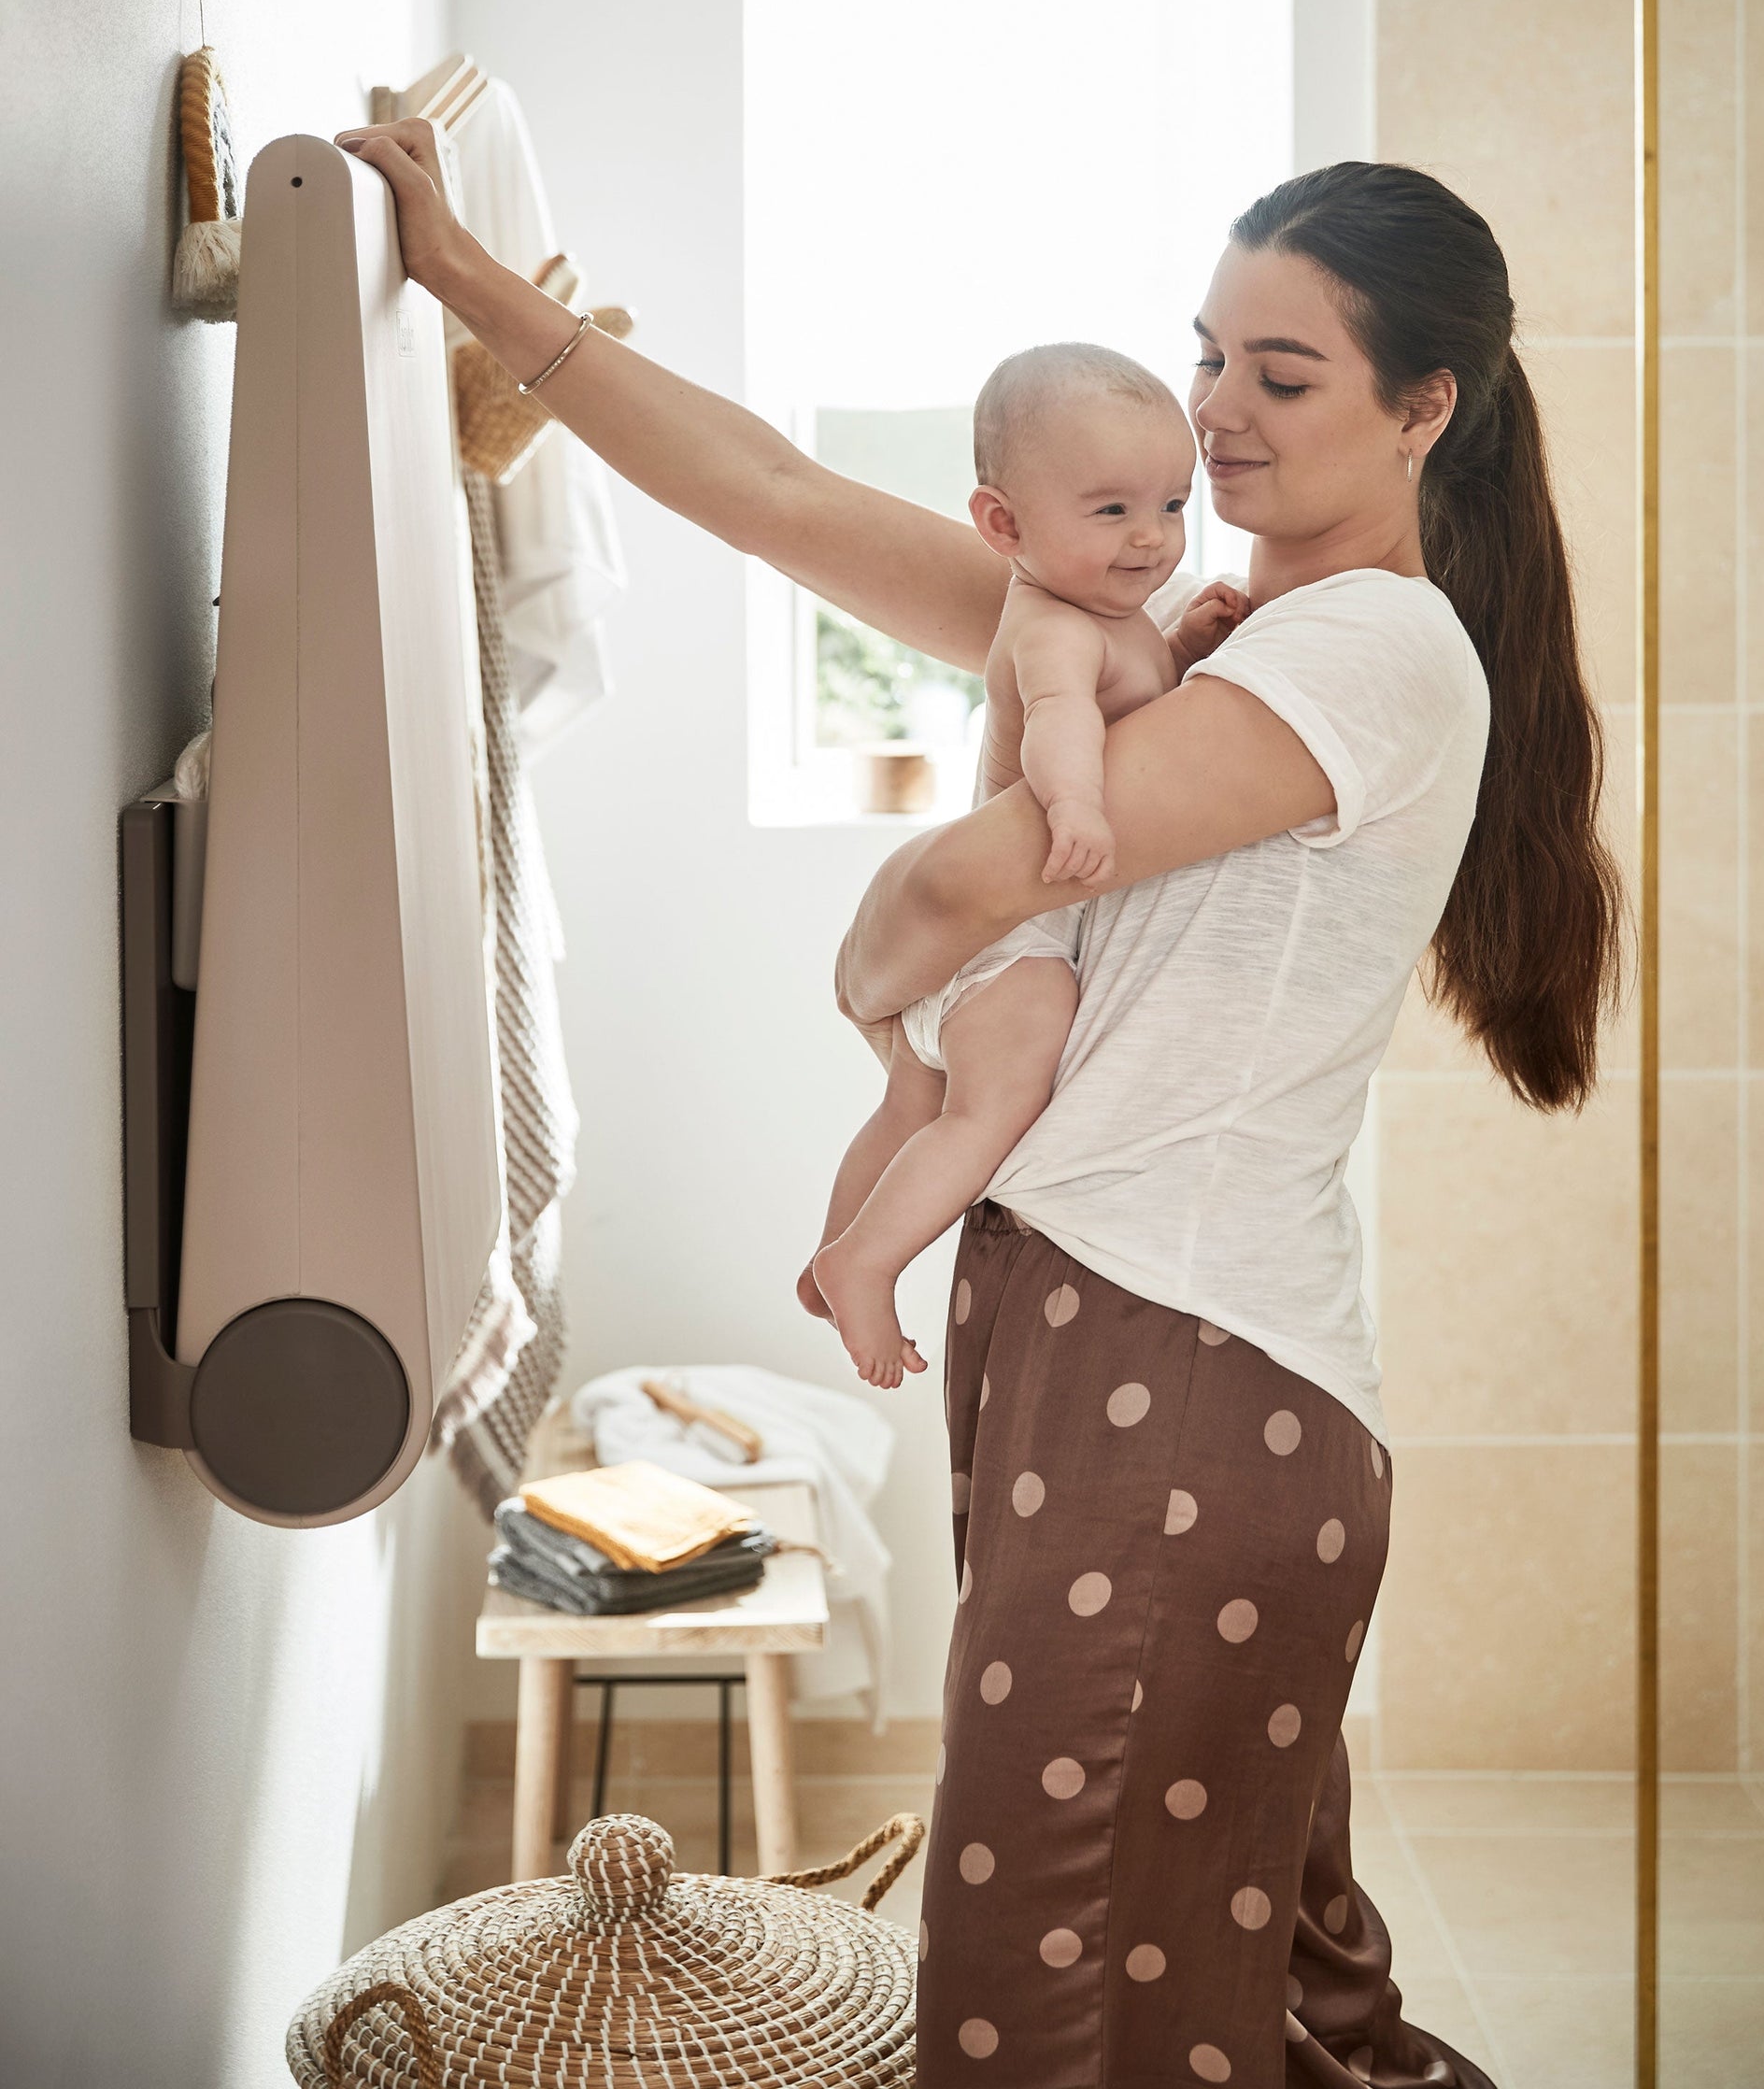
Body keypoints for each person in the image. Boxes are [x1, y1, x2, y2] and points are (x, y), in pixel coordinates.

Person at [339, 121, 1624, 2089]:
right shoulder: (1164, 626)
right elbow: (773, 496)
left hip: (1187, 1374)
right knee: (1256, 2006)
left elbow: (973, 888)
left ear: (1423, 407)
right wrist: (469, 282)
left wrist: (874, 973)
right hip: (1126, 1351)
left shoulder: (1370, 647)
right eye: (1208, 357)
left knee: (1048, 2000)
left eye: (1280, 378)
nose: (1218, 412)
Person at [798, 340, 1250, 1387]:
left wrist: (1182, 642)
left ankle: (834, 1257)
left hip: (961, 946)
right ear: (1001, 525)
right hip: (1014, 939)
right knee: (987, 1108)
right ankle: (866, 1261)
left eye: (1172, 505)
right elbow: (1059, 721)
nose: (1150, 538)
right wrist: (1079, 805)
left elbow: (1132, 686)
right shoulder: (1051, 630)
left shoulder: (1105, 612)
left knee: (908, 1107)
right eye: (1110, 513)